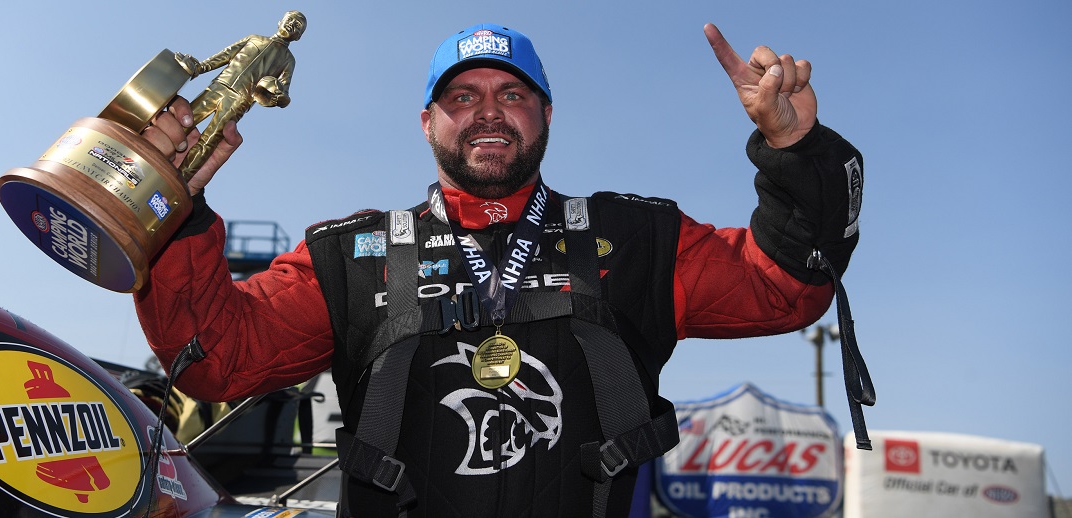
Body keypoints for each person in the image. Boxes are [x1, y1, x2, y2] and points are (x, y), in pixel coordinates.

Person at [135, 21, 865, 517]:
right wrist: (174, 214)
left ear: (546, 115)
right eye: (463, 97)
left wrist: (798, 155)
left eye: (512, 94)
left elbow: (784, 290)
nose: (489, 113)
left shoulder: (635, 238)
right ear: (428, 122)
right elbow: (214, 361)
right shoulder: (349, 258)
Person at [172, 10, 305, 176]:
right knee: (183, 123)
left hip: (239, 101)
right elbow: (225, 54)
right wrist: (199, 68)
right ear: (280, 21)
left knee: (209, 141)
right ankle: (151, 153)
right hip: (220, 85)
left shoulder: (288, 60)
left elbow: (284, 91)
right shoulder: (254, 38)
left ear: (298, 36)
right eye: (290, 20)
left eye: (298, 26)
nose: (292, 24)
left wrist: (277, 96)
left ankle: (180, 179)